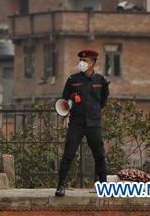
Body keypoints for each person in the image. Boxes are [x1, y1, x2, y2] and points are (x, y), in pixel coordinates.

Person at [55, 48, 109, 197]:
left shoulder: (101, 81)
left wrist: (93, 111)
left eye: (84, 61)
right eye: (80, 60)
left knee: (99, 155)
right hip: (76, 124)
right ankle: (60, 185)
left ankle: (103, 186)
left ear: (92, 62)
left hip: (94, 124)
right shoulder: (73, 80)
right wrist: (71, 102)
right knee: (68, 154)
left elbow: (103, 101)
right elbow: (64, 100)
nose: (81, 63)